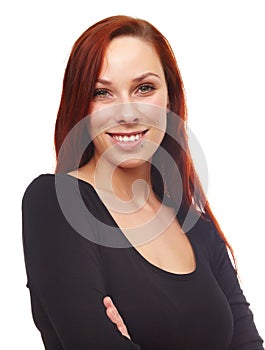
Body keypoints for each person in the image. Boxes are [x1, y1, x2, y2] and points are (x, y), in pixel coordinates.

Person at [22, 15, 264, 350]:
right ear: (82, 106)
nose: (126, 113)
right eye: (102, 92)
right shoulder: (55, 203)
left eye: (144, 88)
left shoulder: (198, 228)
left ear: (170, 97)